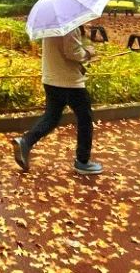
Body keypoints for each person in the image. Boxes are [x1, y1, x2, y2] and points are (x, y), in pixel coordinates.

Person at [11, 24, 100, 175]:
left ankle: (26, 142)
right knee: (85, 118)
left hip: (51, 79)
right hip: (70, 82)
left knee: (51, 117)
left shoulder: (51, 24)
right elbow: (72, 52)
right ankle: (83, 161)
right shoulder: (70, 25)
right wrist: (88, 52)